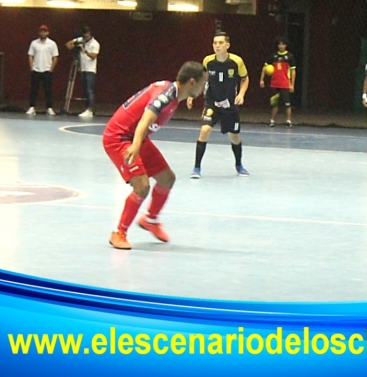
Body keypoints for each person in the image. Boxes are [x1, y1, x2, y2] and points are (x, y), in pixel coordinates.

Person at [102, 61, 207, 250]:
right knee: (141, 186)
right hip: (119, 138)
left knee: (167, 179)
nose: (203, 88)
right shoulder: (165, 97)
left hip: (136, 137)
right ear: (192, 82)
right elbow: (145, 119)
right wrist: (134, 146)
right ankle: (119, 233)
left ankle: (150, 220)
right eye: (202, 83)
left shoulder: (174, 94)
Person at [189, 31, 250, 179]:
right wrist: (192, 94)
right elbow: (202, 79)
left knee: (234, 137)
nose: (217, 46)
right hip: (212, 103)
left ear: (227, 45)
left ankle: (239, 165)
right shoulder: (208, 61)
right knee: (204, 130)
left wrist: (241, 94)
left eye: (220, 43)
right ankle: (196, 168)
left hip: (230, 105)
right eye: (215, 43)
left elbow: (245, 79)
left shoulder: (237, 61)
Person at [259, 37, 297, 127]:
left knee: (287, 103)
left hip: (285, 83)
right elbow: (265, 68)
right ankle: (272, 120)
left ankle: (288, 121)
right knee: (274, 103)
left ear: (286, 45)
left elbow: (293, 71)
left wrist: (292, 84)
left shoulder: (290, 57)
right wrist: (261, 79)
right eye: (279, 44)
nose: (281, 46)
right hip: (274, 83)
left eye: (283, 44)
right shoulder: (273, 56)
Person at [65, 26, 100, 118]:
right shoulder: (81, 40)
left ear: (90, 34)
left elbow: (93, 56)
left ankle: (90, 109)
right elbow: (68, 45)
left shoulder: (95, 43)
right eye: (84, 33)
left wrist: (84, 50)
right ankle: (86, 109)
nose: (85, 35)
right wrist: (75, 44)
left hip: (90, 69)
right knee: (85, 90)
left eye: (87, 33)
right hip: (82, 68)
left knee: (89, 90)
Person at [26, 24, 59, 116]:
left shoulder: (52, 44)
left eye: (44, 31)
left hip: (47, 70)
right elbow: (30, 56)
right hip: (36, 70)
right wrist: (32, 68)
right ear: (39, 32)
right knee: (34, 90)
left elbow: (55, 57)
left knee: (48, 90)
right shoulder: (34, 43)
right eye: (41, 31)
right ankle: (32, 107)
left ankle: (49, 108)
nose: (43, 33)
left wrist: (51, 69)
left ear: (47, 32)